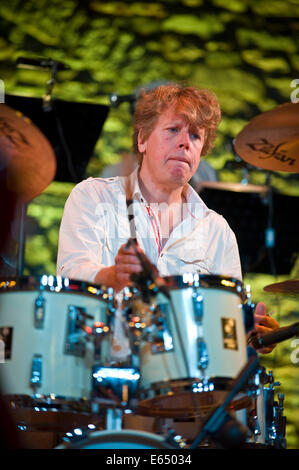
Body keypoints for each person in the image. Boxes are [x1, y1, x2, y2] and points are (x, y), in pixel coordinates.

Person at [57, 83, 279, 354]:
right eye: (173, 129)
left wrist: (247, 330)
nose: (185, 142)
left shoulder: (217, 232)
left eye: (196, 136)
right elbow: (69, 279)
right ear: (142, 139)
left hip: (181, 389)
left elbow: (224, 333)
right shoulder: (92, 197)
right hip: (101, 370)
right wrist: (111, 276)